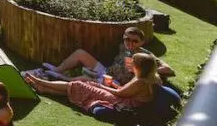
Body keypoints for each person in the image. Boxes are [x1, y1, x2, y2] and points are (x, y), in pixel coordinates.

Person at [25, 52, 160, 114]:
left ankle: (40, 81)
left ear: (139, 66)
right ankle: (43, 88)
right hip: (124, 99)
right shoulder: (147, 77)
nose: (130, 63)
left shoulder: (141, 81)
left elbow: (120, 93)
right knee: (83, 84)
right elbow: (125, 91)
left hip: (123, 104)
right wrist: (111, 84)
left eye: (133, 62)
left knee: (81, 85)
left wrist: (100, 85)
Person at [29, 27, 174, 83]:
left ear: (142, 42)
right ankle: (58, 70)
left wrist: (147, 69)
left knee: (84, 79)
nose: (130, 43)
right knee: (80, 53)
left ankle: (63, 79)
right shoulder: (122, 47)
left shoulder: (145, 55)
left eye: (135, 41)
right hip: (107, 72)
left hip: (117, 83)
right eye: (127, 39)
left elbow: (169, 70)